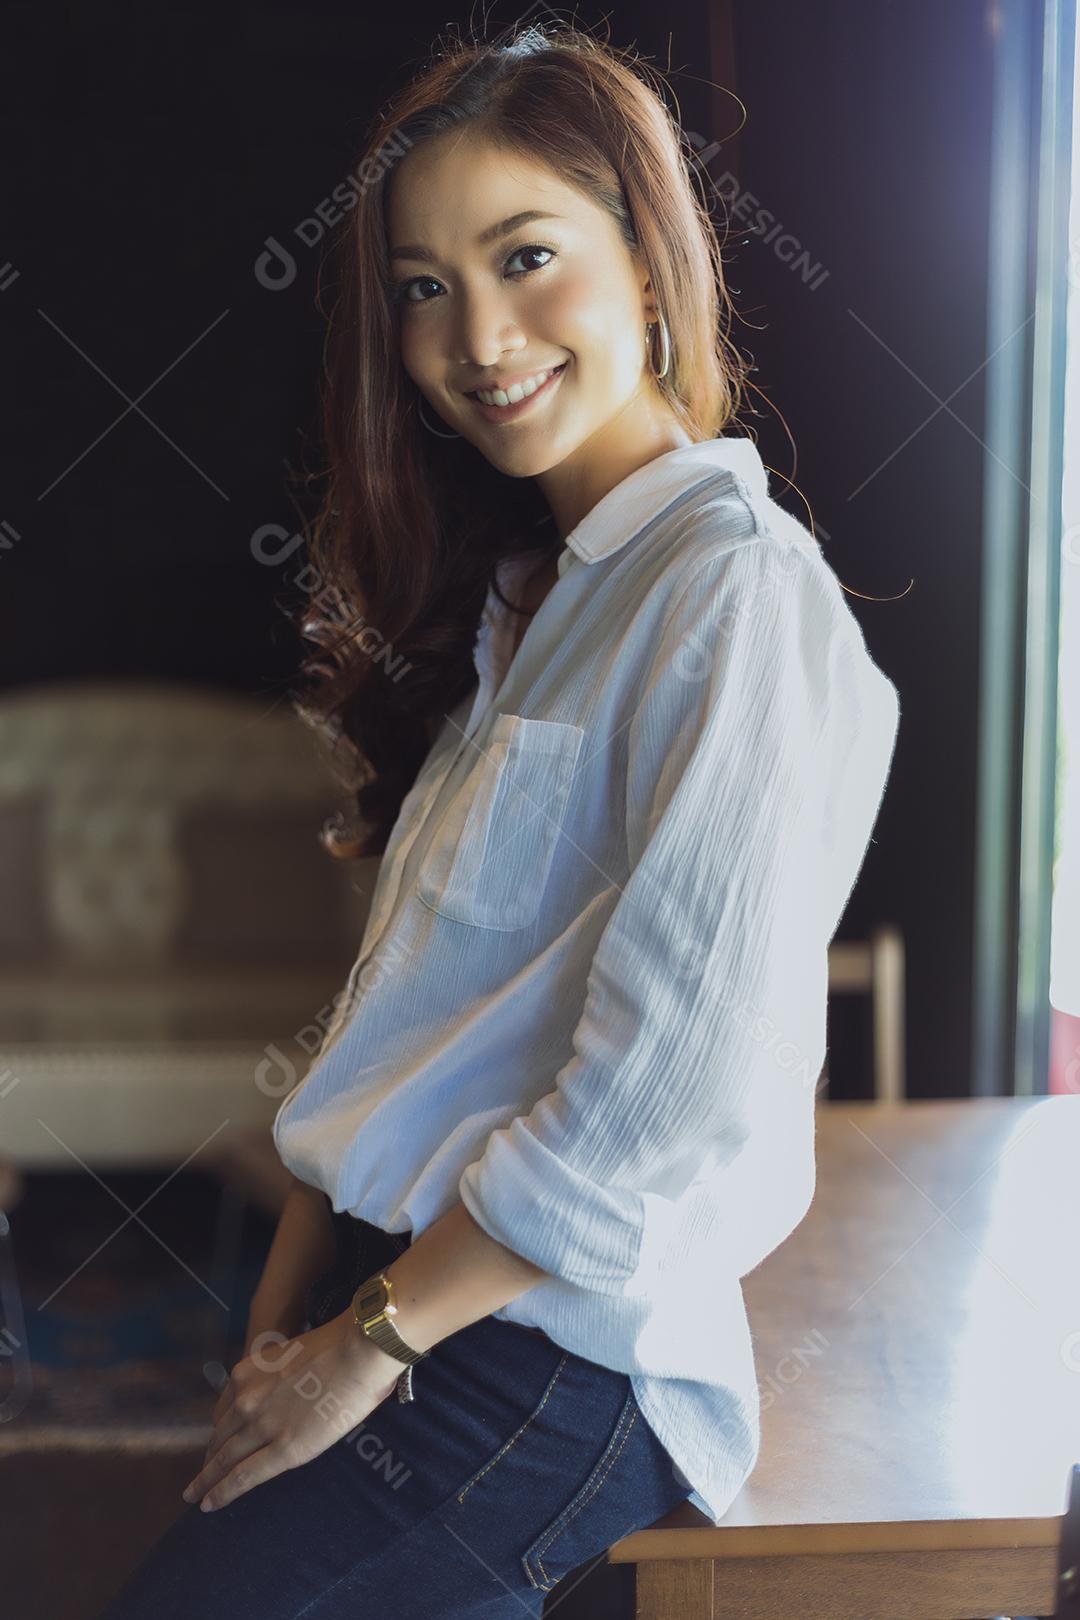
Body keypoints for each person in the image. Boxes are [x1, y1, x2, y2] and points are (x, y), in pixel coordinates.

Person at [97, 18, 901, 1618]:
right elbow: (405, 1024)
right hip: (388, 1299)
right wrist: (287, 1320)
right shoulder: (527, 603)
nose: (479, 334)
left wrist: (365, 1347)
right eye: (423, 287)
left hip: (540, 1346)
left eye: (529, 256)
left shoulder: (732, 596)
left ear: (651, 267)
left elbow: (660, 1096)